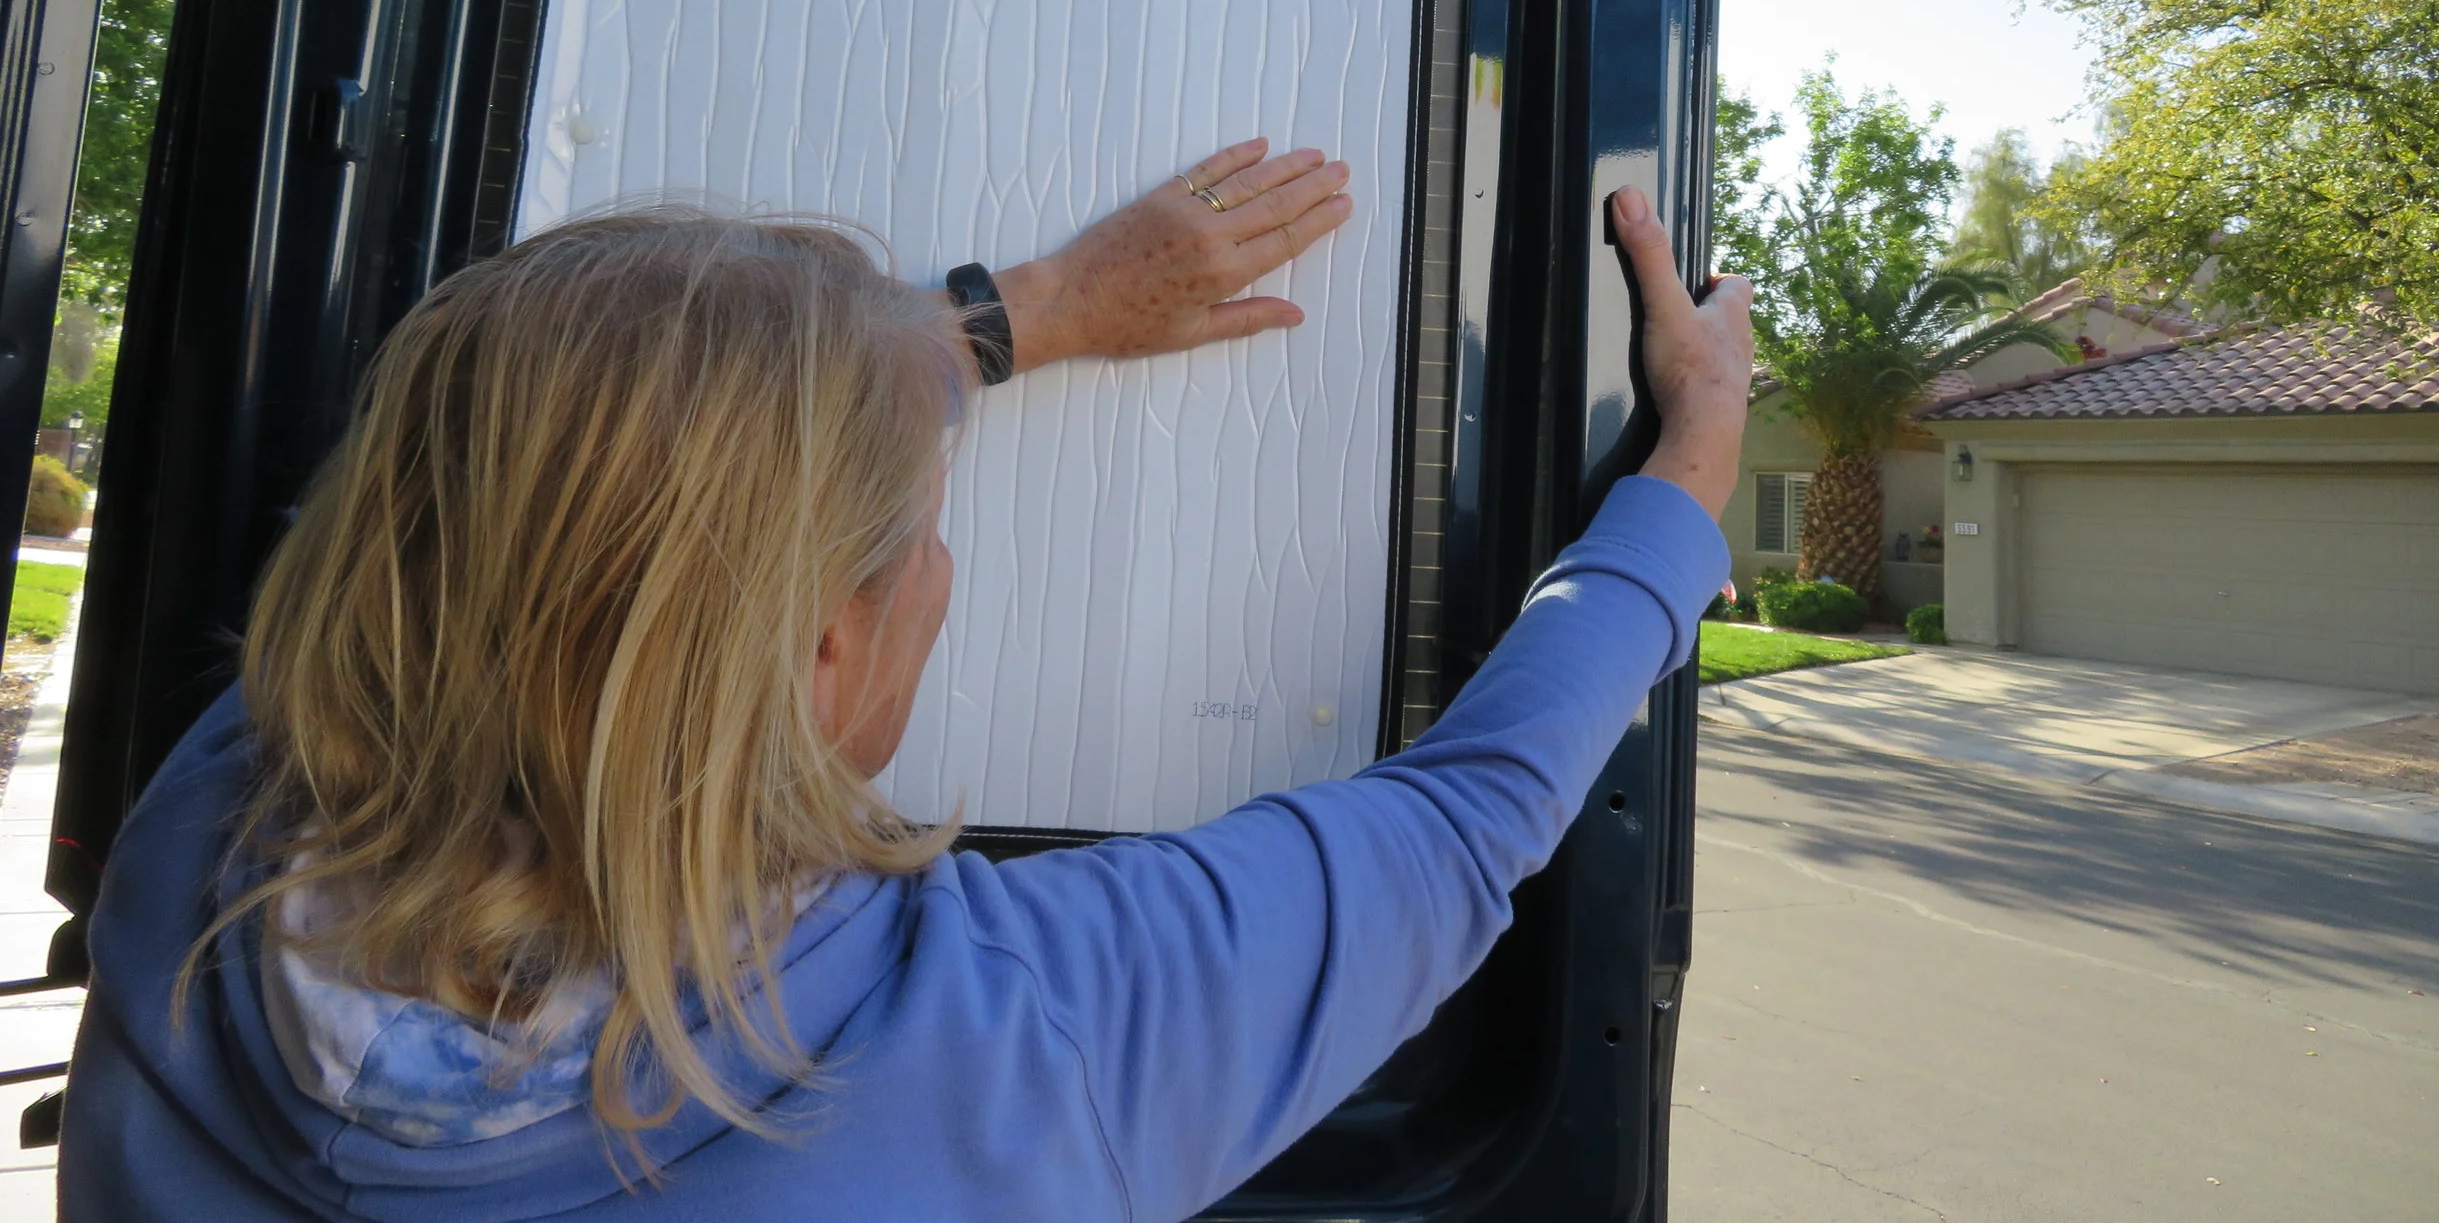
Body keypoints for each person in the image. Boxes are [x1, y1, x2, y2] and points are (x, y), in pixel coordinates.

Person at [58, 137, 1753, 1222]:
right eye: (920, 535)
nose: (943, 569)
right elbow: (1468, 821)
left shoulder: (202, 824)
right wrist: (1690, 461)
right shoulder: (1029, 1040)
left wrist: (1036, 309)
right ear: (815, 653)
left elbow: (501, 494)